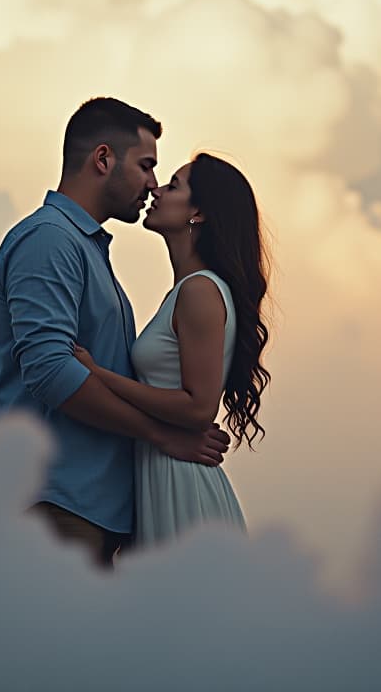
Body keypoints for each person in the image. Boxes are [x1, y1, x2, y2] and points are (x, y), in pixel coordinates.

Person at [0, 98, 231, 569]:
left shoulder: (85, 251)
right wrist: (161, 436)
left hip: (89, 513)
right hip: (55, 504)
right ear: (103, 159)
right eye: (146, 166)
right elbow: (52, 372)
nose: (153, 184)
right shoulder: (50, 239)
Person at [74, 152, 270, 545]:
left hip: (182, 483)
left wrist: (98, 376)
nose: (156, 190)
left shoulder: (200, 290)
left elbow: (199, 407)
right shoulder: (187, 291)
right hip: (163, 474)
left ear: (198, 212)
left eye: (174, 186)